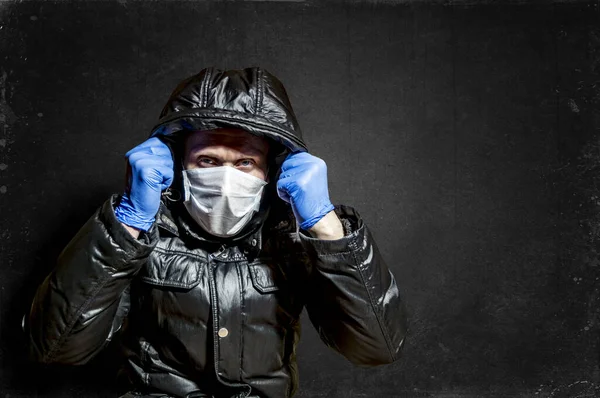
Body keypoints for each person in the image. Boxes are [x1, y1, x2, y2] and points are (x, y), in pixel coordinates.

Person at [25, 67, 407, 398]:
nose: (226, 179)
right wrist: (128, 223)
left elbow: (375, 348)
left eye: (245, 162)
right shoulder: (146, 230)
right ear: (177, 164)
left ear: (272, 170)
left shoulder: (291, 238)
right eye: (208, 160)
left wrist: (325, 226)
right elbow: (57, 348)